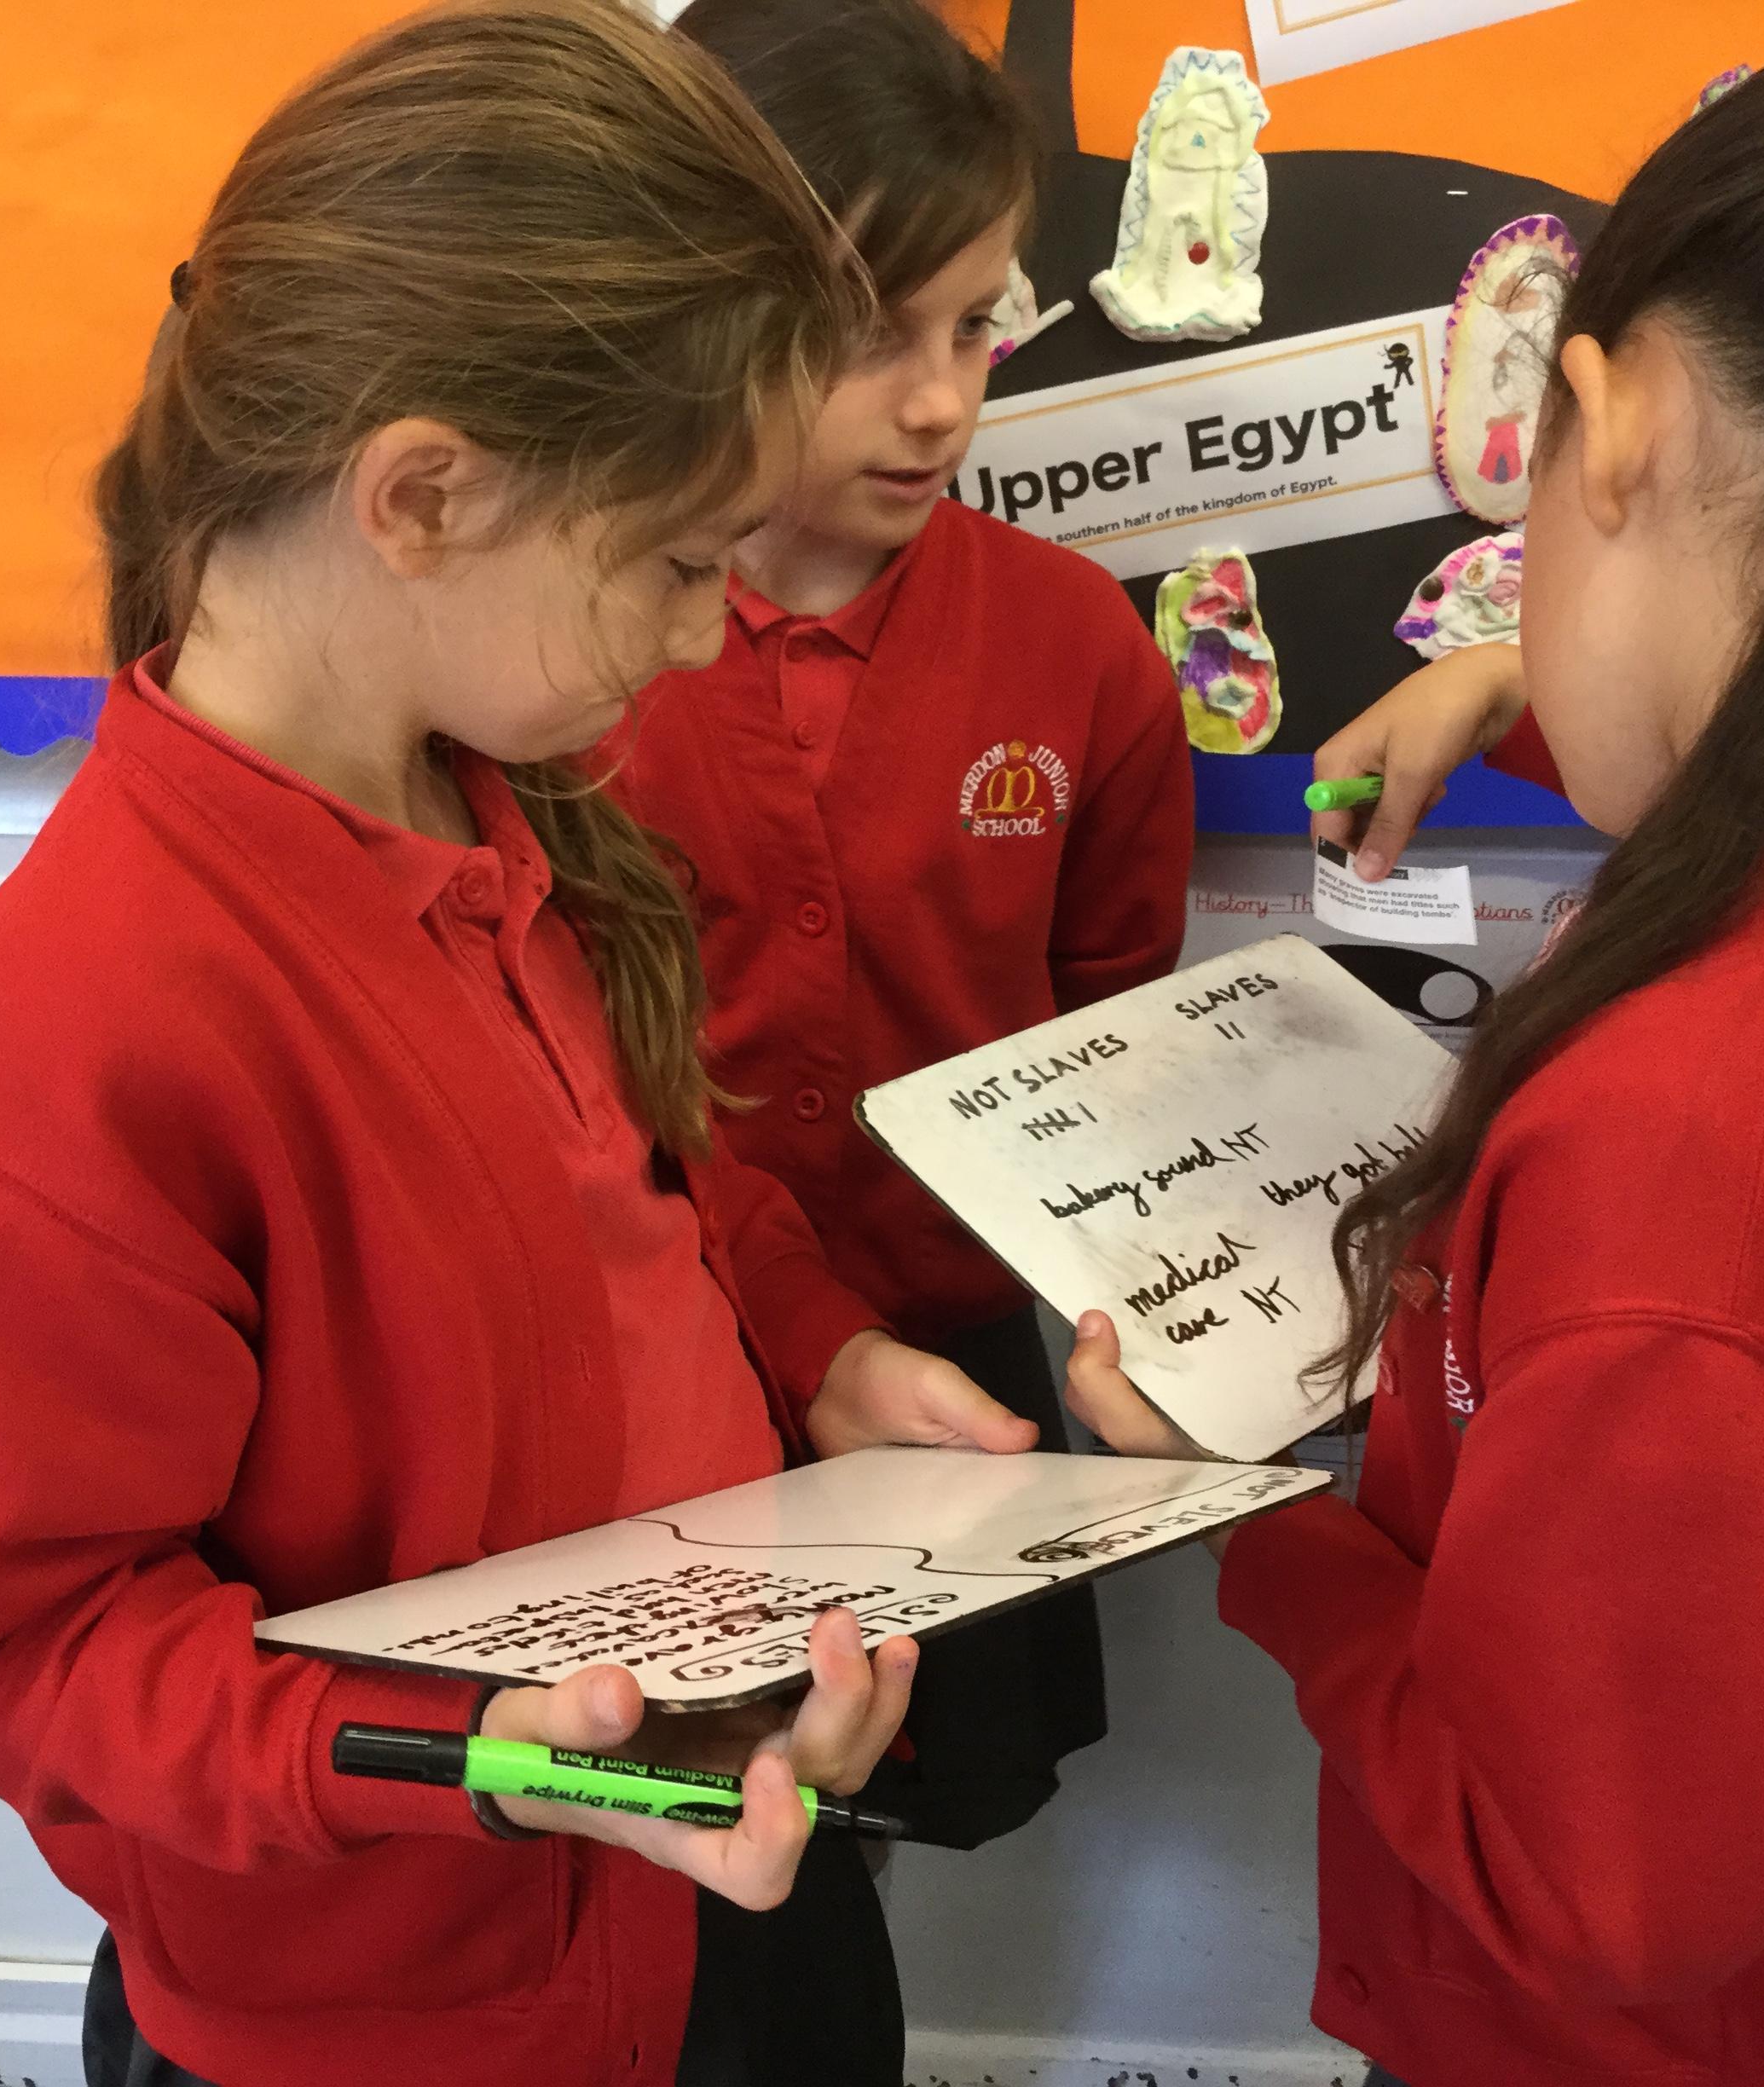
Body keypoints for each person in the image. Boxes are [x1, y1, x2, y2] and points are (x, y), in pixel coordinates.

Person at [0, 8, 1040, 2084]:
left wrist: (814, 1346)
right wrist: (498, 1760)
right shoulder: (75, 1032)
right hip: (405, 1996)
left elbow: (646, 1197)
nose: (706, 631)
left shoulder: (516, 804)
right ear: (423, 495)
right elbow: (41, 1659)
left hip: (710, 1849)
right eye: (678, 563)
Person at [1066, 11, 1764, 2083]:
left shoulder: (1715, 1132)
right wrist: (1531, 680)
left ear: (1609, 417)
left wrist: (1251, 1523)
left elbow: (1590, 1883)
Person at [616, 0, 1195, 1853]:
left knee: (912, 1787)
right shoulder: (570, 656)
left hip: (960, 1364)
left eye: (974, 327)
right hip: (656, 1357)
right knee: (682, 1804)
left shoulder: (1074, 647)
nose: (941, 401)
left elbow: (1112, 1011)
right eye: (869, 334)